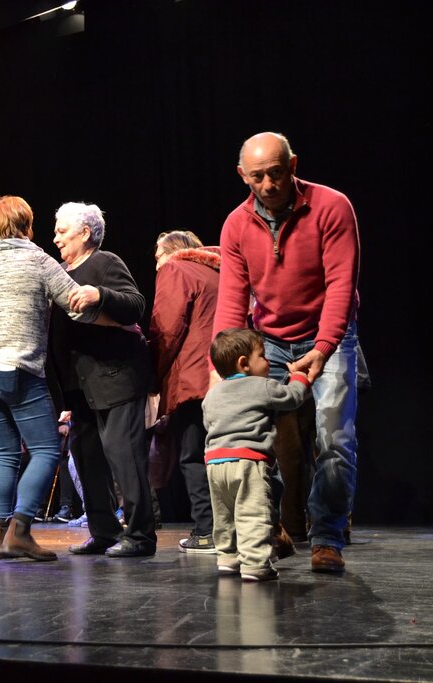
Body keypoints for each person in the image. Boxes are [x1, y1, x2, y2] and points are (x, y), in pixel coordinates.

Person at [213, 132, 360, 573]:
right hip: (270, 342)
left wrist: (323, 347)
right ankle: (268, 525)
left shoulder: (332, 207)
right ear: (243, 176)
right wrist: (224, 369)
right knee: (254, 440)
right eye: (257, 176)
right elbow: (232, 302)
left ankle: (328, 536)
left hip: (329, 334)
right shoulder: (236, 225)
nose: (269, 184)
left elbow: (341, 285)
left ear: (292, 165)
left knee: (333, 437)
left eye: (276, 172)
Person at [0, 195, 98, 561]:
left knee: (4, 453)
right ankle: (21, 530)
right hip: (17, 369)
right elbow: (74, 304)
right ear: (27, 226)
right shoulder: (38, 260)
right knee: (47, 450)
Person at [48, 202, 157, 558]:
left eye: (62, 231)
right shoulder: (61, 272)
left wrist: (100, 294)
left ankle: (140, 536)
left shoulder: (105, 262)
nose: (56, 238)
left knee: (123, 455)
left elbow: (136, 305)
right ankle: (104, 531)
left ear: (84, 232)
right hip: (81, 387)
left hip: (117, 377)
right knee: (87, 457)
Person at [203, 328, 311, 581]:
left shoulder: (211, 395)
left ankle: (228, 558)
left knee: (224, 516)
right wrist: (299, 378)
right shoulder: (262, 386)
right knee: (253, 513)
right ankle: (254, 564)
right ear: (244, 364)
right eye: (262, 356)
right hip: (248, 461)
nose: (268, 361)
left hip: (215, 463)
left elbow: (210, 424)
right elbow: (292, 397)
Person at [148, 230, 220, 554]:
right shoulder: (220, 272)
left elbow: (167, 328)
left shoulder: (175, 270)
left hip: (195, 379)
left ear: (173, 252)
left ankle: (207, 532)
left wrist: (152, 374)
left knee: (193, 456)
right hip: (227, 375)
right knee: (223, 455)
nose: (157, 265)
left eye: (157, 257)